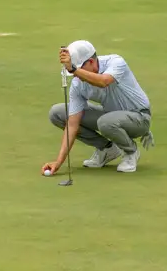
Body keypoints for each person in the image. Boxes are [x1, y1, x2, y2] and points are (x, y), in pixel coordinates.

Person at [42, 40, 155, 175]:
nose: (76, 76)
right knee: (58, 113)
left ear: (91, 62)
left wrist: (74, 69)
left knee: (105, 122)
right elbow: (72, 125)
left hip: (139, 117)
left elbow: (103, 81)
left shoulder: (116, 62)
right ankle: (107, 149)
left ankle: (131, 152)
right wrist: (58, 162)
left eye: (79, 70)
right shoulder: (78, 84)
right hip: (111, 116)